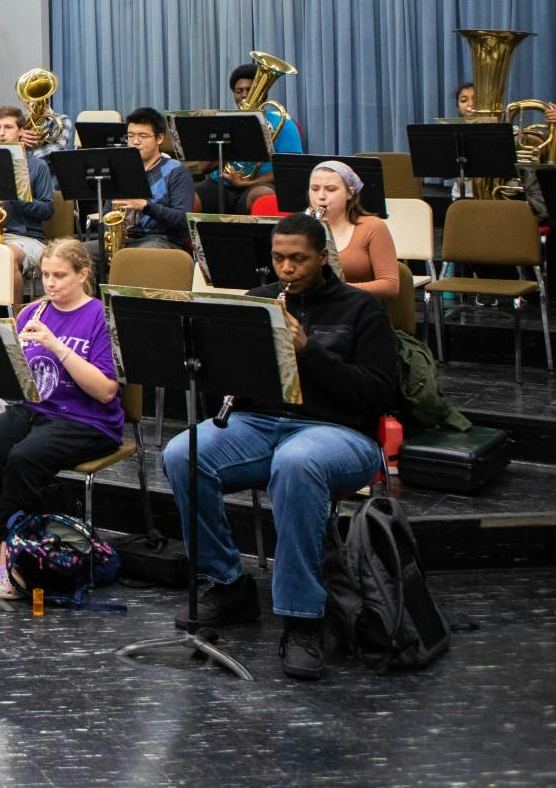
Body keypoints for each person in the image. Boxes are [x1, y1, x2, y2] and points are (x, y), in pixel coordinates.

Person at [162, 213, 397, 680]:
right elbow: (227, 387)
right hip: (261, 420)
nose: (286, 269)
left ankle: (302, 616)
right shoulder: (259, 302)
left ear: (323, 258)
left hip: (340, 431)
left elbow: (379, 395)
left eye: (298, 259)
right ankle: (229, 585)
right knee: (182, 452)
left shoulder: (360, 309)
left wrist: (308, 351)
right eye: (278, 258)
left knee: (296, 462)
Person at [0, 238, 123, 599]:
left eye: (60, 276)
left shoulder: (101, 317)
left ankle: (12, 559)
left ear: (83, 274)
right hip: (39, 409)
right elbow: (22, 379)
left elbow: (105, 391)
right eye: (46, 275)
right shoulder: (32, 312)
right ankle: (8, 535)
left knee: (23, 459)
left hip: (88, 419)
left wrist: (57, 346)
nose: (50, 284)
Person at [198, 62, 304, 214]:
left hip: (258, 185)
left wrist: (246, 182)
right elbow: (203, 168)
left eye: (250, 89)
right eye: (238, 91)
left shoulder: (284, 124)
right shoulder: (222, 122)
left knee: (264, 197)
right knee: (189, 196)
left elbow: (288, 169)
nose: (244, 95)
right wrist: (234, 140)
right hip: (220, 184)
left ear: (264, 91)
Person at [99, 107, 195, 272]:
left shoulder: (177, 171)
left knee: (136, 258)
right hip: (125, 239)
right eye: (130, 136)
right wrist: (110, 237)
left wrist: (146, 206)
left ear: (159, 138)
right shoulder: (120, 170)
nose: (135, 142)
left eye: (143, 136)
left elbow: (183, 219)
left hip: (162, 240)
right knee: (72, 254)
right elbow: (108, 212)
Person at [0, 105, 57, 298]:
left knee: (7, 257)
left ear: (21, 132)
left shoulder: (37, 166)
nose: (1, 133)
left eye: (8, 127)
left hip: (30, 238)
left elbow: (47, 209)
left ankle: (17, 319)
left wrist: (16, 198)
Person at [307, 160, 398, 301]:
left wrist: (340, 290)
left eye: (330, 189)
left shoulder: (373, 227)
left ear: (350, 193)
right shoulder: (301, 226)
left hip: (357, 312)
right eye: (314, 189)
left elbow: (390, 286)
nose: (321, 196)